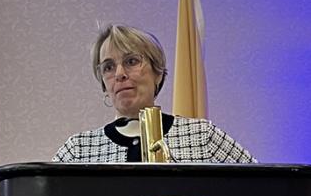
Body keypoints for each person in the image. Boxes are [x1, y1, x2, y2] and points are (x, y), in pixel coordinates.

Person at [53, 24, 256, 163]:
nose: (120, 74)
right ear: (104, 85)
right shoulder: (79, 150)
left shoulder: (202, 136)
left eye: (131, 61)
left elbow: (264, 187)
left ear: (158, 72)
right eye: (108, 67)